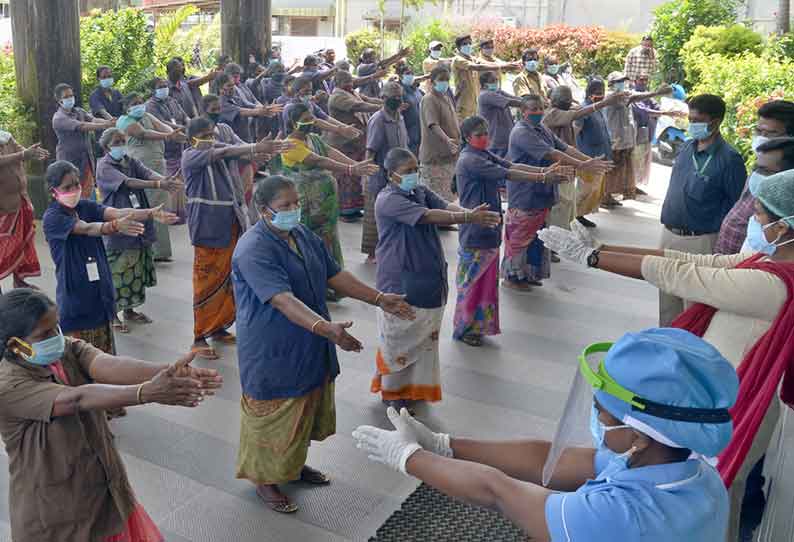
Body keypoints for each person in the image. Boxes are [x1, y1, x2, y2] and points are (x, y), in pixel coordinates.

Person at [539, 169, 794, 541]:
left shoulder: (772, 285)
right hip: (713, 394)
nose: (756, 218)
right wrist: (603, 251)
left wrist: (592, 258)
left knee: (720, 485)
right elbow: (685, 260)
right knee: (698, 482)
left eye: (763, 214)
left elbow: (681, 276)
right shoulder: (764, 263)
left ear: (786, 225)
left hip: (737, 402)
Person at [354, 328, 738, 542]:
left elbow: (499, 492)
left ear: (641, 437)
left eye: (604, 413)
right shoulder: (690, 470)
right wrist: (445, 445)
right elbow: (548, 460)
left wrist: (408, 457)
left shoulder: (619, 516)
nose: (597, 419)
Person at [231, 175, 414, 514]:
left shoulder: (300, 235)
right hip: (274, 346)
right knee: (274, 413)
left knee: (304, 407)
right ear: (263, 211)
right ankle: (264, 479)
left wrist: (379, 298)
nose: (294, 210)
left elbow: (334, 274)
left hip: (311, 339)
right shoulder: (253, 248)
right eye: (285, 206)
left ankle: (292, 466)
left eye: (295, 203)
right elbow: (282, 300)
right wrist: (326, 328)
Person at [0, 288, 222, 542]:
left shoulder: (66, 349)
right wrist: (146, 393)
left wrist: (169, 372)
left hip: (104, 490)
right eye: (44, 334)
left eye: (56, 328)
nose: (56, 337)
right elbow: (77, 399)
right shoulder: (7, 384)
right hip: (56, 513)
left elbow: (107, 365)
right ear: (15, 344)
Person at [373, 147, 501, 410]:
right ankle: (393, 394)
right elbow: (429, 216)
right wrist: (467, 217)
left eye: (416, 169)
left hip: (428, 275)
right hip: (399, 278)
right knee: (400, 338)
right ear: (391, 174)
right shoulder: (388, 199)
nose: (414, 174)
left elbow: (443, 206)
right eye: (408, 171)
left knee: (422, 339)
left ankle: (414, 390)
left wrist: (469, 213)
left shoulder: (418, 191)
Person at [454, 116, 569, 347]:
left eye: (487, 131)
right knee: (472, 283)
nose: (485, 136)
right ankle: (465, 328)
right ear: (467, 138)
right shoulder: (469, 160)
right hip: (475, 229)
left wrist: (541, 171)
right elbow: (508, 174)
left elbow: (512, 165)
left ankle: (479, 327)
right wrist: (542, 176)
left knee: (485, 282)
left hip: (489, 226)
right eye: (479, 134)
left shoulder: (482, 154)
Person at [181, 117, 291, 360]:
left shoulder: (220, 151)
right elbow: (229, 150)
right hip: (208, 227)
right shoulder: (191, 156)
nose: (210, 139)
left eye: (212, 134)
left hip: (231, 222)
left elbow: (240, 155)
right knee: (206, 281)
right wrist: (253, 148)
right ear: (191, 140)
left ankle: (218, 327)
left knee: (228, 278)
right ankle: (199, 337)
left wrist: (260, 152)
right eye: (205, 135)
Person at [42, 160, 176, 356]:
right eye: (67, 187)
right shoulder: (53, 217)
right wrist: (113, 227)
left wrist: (149, 214)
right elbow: (87, 228)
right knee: (83, 364)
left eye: (77, 184)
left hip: (100, 292)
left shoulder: (85, 206)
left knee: (107, 358)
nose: (74, 189)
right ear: (54, 191)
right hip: (77, 295)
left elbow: (116, 212)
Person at [501, 96, 610, 293]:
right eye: (533, 109)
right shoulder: (521, 132)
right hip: (525, 192)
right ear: (523, 111)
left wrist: (590, 161)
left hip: (543, 190)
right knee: (520, 236)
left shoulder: (542, 128)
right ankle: (512, 277)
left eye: (541, 108)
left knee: (536, 236)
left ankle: (528, 274)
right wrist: (583, 165)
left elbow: (564, 147)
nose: (538, 112)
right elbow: (552, 153)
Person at [659, 93, 747, 326]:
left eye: (698, 120)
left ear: (715, 122)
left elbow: (736, 207)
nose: (692, 124)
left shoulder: (730, 159)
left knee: (693, 308)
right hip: (669, 235)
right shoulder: (687, 147)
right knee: (668, 303)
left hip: (701, 242)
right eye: (690, 118)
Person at [278, 104, 377, 295]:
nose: (311, 122)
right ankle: (313, 285)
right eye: (306, 119)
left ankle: (331, 282)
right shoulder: (289, 145)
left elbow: (329, 152)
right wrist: (350, 170)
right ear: (292, 122)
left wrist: (355, 164)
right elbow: (318, 160)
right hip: (306, 205)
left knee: (328, 240)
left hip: (325, 204)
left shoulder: (313, 138)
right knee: (308, 241)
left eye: (311, 118)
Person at [96, 128, 182, 332]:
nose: (121, 145)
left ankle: (129, 310)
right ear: (107, 146)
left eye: (123, 141)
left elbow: (145, 171)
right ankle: (112, 315)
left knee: (136, 270)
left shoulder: (129, 160)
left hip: (139, 216)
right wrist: (158, 183)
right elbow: (128, 182)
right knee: (119, 271)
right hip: (119, 220)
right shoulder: (104, 166)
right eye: (117, 142)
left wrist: (164, 181)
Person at [543, 85, 625, 230]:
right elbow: (576, 116)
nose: (568, 102)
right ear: (554, 100)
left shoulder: (566, 110)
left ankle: (565, 234)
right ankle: (556, 240)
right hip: (556, 167)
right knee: (561, 205)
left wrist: (588, 161)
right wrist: (605, 102)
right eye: (565, 99)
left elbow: (568, 147)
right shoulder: (552, 114)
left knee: (568, 203)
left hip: (567, 165)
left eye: (569, 99)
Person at [716, 101, 794, 255]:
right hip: (730, 253)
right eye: (758, 131)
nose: (761, 138)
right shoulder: (763, 162)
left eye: (770, 133)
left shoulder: (786, 182)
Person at [118, 91, 185, 262]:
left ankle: (159, 251)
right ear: (126, 108)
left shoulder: (147, 115)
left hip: (157, 166)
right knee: (144, 207)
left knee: (159, 206)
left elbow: (164, 126)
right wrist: (168, 136)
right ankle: (144, 247)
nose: (140, 105)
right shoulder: (125, 121)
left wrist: (171, 132)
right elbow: (142, 134)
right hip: (140, 169)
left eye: (141, 101)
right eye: (135, 103)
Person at [601, 72, 671, 208]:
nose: (622, 84)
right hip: (615, 140)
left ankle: (610, 195)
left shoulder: (623, 95)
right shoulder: (612, 96)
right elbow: (634, 97)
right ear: (612, 83)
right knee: (611, 169)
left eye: (623, 81)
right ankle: (605, 196)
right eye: (619, 81)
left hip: (624, 139)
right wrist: (656, 92)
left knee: (620, 168)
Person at [362, 82, 410, 264]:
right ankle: (373, 253)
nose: (398, 100)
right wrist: (367, 174)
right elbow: (371, 150)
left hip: (398, 175)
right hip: (380, 174)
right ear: (383, 98)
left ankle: (392, 249)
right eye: (394, 97)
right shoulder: (378, 120)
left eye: (400, 96)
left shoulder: (399, 117)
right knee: (376, 215)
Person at [327, 70, 382, 223]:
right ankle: (344, 211)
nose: (350, 84)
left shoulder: (351, 92)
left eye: (350, 80)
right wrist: (381, 108)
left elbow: (366, 99)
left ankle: (354, 208)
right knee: (345, 178)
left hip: (356, 143)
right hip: (343, 144)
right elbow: (359, 106)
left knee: (356, 179)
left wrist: (384, 102)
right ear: (338, 83)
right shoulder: (337, 97)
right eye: (346, 81)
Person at [0, 134, 49, 292]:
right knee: (4, 247)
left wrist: (33, 153)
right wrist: (22, 155)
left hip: (19, 199)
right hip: (3, 206)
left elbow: (22, 150)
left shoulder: (5, 135)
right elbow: (19, 155)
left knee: (22, 242)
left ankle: (19, 282)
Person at [52, 83, 114, 199]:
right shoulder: (59, 118)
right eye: (66, 97)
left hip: (86, 160)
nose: (70, 98)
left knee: (89, 194)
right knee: (72, 194)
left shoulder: (79, 111)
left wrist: (110, 121)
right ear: (59, 100)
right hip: (69, 162)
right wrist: (106, 125)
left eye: (71, 95)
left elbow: (93, 120)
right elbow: (82, 126)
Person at [451, 34, 518, 121]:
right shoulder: (458, 59)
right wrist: (501, 67)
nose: (468, 46)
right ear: (459, 47)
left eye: (469, 43)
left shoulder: (472, 58)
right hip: (464, 104)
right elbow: (477, 67)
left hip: (474, 103)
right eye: (465, 44)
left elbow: (485, 63)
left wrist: (505, 65)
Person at [419, 65, 461, 203]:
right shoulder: (429, 99)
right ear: (432, 81)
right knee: (436, 196)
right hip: (436, 156)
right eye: (441, 79)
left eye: (447, 79)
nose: (445, 82)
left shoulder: (446, 97)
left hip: (450, 154)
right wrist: (447, 140)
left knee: (449, 194)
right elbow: (433, 124)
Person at [575, 78, 614, 225]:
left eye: (603, 93)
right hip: (587, 157)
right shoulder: (584, 109)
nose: (601, 96)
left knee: (593, 190)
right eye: (598, 93)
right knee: (584, 190)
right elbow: (576, 130)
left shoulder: (597, 108)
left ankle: (580, 216)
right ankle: (574, 217)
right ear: (589, 93)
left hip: (600, 156)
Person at [216, 73, 282, 144]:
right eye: (229, 86)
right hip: (231, 139)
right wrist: (262, 111)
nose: (232, 88)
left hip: (245, 133)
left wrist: (265, 108)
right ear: (220, 88)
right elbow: (242, 111)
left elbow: (247, 104)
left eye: (233, 85)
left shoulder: (235, 93)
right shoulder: (221, 103)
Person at [477, 71, 522, 159]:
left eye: (496, 79)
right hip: (496, 139)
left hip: (505, 136)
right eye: (493, 80)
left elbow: (514, 98)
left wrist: (529, 99)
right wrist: (529, 104)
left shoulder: (498, 92)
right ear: (485, 84)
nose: (496, 82)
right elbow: (510, 102)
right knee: (498, 163)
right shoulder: (485, 95)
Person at [88, 65, 124, 157]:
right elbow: (102, 112)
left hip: (120, 133)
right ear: (98, 79)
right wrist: (113, 121)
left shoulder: (117, 93)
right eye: (104, 77)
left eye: (109, 76)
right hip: (104, 136)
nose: (107, 79)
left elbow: (125, 108)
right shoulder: (95, 95)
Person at [395, 62, 424, 156]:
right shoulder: (398, 91)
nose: (411, 76)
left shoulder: (416, 90)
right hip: (408, 131)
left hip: (420, 129)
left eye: (412, 73)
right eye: (407, 74)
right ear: (400, 75)